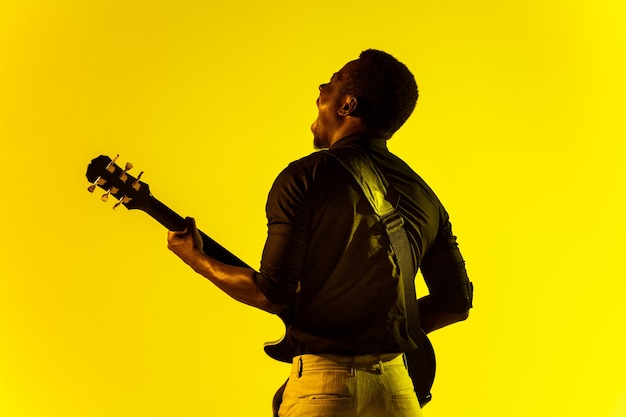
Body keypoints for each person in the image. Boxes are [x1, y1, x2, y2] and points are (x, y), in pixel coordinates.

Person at [167, 49, 473, 417]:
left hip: (324, 390)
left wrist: (195, 258)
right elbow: (455, 302)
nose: (321, 86)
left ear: (348, 104)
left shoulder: (305, 177)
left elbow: (272, 292)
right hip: (398, 393)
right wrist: (383, 330)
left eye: (333, 80)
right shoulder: (424, 194)